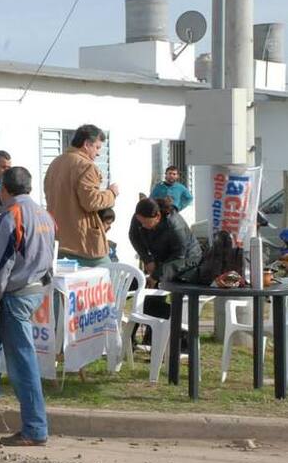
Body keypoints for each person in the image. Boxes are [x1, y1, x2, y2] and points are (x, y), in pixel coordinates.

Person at [0, 166, 55, 446]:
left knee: (22, 363)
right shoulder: (44, 214)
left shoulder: (11, 216)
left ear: (4, 189)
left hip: (15, 294)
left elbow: (0, 263)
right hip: (35, 289)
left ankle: (35, 429)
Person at [129, 197, 203, 346]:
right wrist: (147, 259)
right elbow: (134, 236)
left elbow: (178, 256)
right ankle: (151, 338)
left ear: (157, 216)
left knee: (157, 293)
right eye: (140, 221)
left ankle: (182, 336)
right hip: (161, 257)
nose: (142, 225)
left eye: (145, 222)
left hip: (186, 260)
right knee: (150, 299)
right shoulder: (140, 216)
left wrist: (156, 275)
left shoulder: (175, 225)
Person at [43, 124, 118, 267]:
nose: (98, 153)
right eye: (97, 147)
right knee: (106, 277)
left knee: (68, 286)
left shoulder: (55, 163)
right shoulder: (86, 166)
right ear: (86, 144)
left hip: (59, 238)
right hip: (83, 242)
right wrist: (111, 193)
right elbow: (91, 202)